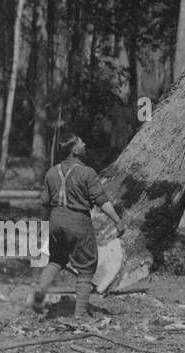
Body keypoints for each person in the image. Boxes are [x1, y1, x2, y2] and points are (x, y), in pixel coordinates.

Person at [31, 133, 126, 319]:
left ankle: (41, 290)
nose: (85, 144)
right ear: (75, 150)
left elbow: (45, 203)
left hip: (56, 220)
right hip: (78, 221)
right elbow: (102, 201)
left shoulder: (51, 172)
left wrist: (44, 228)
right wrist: (117, 220)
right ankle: (80, 314)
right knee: (86, 268)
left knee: (56, 260)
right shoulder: (87, 172)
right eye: (82, 143)